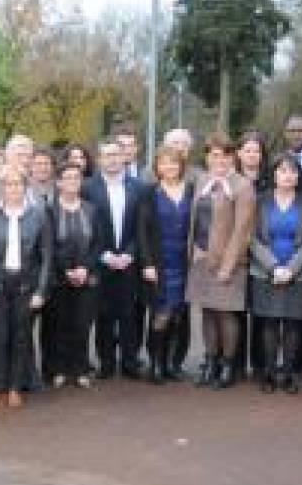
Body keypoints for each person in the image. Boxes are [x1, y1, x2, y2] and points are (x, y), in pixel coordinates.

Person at [0, 167, 52, 408]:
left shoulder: (38, 216)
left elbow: (46, 256)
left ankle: (14, 387)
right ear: (2, 189)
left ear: (25, 188)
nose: (13, 189)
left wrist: (40, 291)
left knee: (21, 338)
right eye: (8, 185)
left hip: (26, 287)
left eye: (18, 184)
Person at [186, 136, 256, 389]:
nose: (220, 160)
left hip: (229, 263)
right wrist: (193, 251)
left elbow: (242, 231)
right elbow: (196, 222)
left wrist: (228, 266)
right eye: (214, 155)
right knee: (207, 313)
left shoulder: (242, 186)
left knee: (226, 314)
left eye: (225, 155)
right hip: (201, 260)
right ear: (207, 157)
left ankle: (228, 366)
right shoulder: (201, 181)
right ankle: (211, 362)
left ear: (233, 157)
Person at [248, 154, 302, 393]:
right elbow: (253, 238)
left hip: (300, 274)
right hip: (264, 272)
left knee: (294, 325)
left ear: (298, 175)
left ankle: (289, 374)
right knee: (269, 324)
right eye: (282, 171)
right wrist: (272, 267)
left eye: (292, 171)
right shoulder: (260, 201)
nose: (288, 176)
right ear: (274, 175)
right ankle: (269, 373)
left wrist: (291, 268)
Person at [84, 140, 144, 378]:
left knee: (130, 315)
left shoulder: (139, 188)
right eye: (107, 155)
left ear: (124, 158)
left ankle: (130, 362)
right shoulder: (88, 188)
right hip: (101, 260)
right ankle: (106, 364)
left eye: (116, 155)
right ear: (99, 159)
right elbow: (87, 226)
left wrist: (130, 253)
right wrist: (105, 254)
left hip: (130, 261)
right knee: (104, 315)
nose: (112, 159)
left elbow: (142, 227)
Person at [137, 145, 193, 385]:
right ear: (157, 167)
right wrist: (147, 263)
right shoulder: (149, 193)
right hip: (160, 262)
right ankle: (156, 364)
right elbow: (142, 231)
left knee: (179, 315)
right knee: (161, 314)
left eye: (173, 162)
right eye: (164, 163)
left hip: (185, 262)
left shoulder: (192, 191)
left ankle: (172, 363)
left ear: (181, 165)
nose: (169, 167)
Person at [44, 162, 100, 387]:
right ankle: (58, 369)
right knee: (59, 325)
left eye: (76, 178)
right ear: (58, 182)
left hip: (87, 277)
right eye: (67, 178)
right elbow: (49, 245)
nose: (72, 182)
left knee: (82, 324)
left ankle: (80, 369)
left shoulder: (91, 209)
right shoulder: (49, 210)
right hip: (59, 277)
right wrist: (66, 270)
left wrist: (85, 268)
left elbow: (97, 243)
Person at [235, 130, 270, 382]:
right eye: (247, 150)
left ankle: (259, 364)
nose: (252, 155)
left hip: (263, 253)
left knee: (260, 310)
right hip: (236, 253)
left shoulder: (270, 181)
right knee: (235, 310)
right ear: (239, 153)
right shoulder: (231, 180)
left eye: (256, 151)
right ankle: (234, 363)